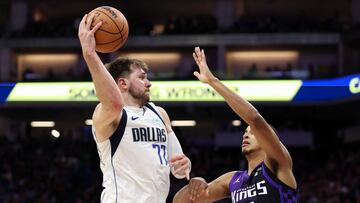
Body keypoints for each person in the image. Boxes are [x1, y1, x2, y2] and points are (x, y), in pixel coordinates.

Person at [78, 14, 191, 203]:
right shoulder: (108, 114)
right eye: (142, 77)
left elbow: (179, 166)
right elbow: (114, 103)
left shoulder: (159, 113)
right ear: (122, 83)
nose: (149, 83)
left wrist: (184, 166)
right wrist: (90, 54)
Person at [173, 47, 298, 203]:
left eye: (252, 133)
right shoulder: (233, 179)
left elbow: (255, 119)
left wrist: (213, 81)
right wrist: (195, 183)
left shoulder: (278, 162)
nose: (246, 134)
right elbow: (180, 201)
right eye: (245, 132)